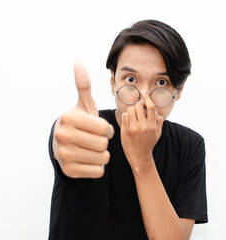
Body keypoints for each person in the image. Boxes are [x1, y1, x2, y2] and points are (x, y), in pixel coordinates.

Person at [48, 19, 208, 240]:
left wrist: (142, 159)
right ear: (113, 81)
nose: (144, 98)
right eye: (130, 79)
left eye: (161, 83)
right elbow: (64, 140)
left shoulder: (189, 146)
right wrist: (62, 137)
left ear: (178, 91)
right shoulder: (89, 128)